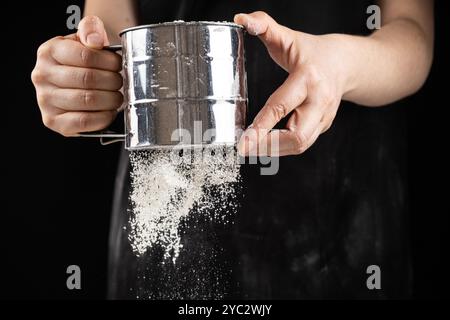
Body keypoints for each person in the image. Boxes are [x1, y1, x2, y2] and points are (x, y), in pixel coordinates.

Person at [31, 0, 434, 299]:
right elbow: (112, 29)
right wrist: (85, 75)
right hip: (169, 212)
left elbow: (412, 32)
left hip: (341, 218)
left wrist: (343, 64)